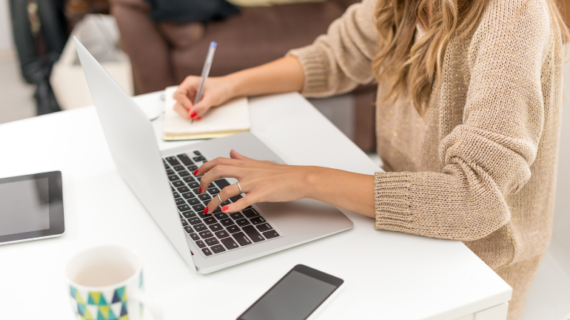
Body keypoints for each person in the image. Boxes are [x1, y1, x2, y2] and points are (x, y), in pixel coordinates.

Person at [172, 0, 568, 318]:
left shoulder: (514, 15)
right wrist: (229, 85)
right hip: (400, 226)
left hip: (472, 264)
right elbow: (333, 56)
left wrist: (304, 180)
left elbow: (476, 200)